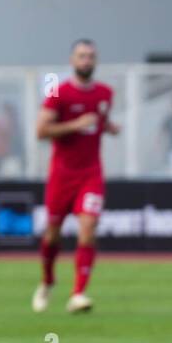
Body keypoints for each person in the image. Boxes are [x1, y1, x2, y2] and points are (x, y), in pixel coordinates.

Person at [32, 39, 119, 314]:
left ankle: (78, 293)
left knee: (88, 227)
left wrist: (109, 127)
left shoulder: (105, 93)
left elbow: (99, 122)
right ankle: (47, 281)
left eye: (91, 56)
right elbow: (41, 132)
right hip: (62, 175)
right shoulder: (59, 93)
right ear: (72, 60)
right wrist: (76, 125)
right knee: (52, 234)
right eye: (81, 56)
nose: (86, 61)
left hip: (91, 173)